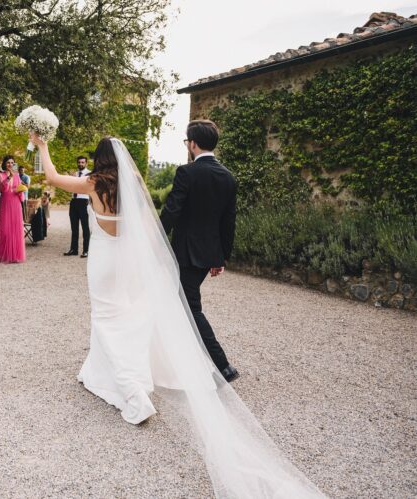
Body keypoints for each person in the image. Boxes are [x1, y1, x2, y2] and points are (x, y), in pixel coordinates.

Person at [31, 132, 324, 498]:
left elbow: (54, 179)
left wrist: (41, 146)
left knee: (106, 317)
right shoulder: (133, 184)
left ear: (99, 158)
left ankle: (134, 395)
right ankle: (106, 370)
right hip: (130, 261)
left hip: (104, 261)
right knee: (127, 316)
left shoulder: (93, 182)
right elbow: (151, 227)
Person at [159, 120, 238, 381]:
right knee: (178, 303)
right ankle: (179, 358)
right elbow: (228, 222)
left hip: (185, 253)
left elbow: (172, 210)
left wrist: (155, 236)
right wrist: (221, 256)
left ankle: (223, 365)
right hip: (208, 255)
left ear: (192, 143)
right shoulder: (228, 177)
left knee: (190, 307)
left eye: (186, 141)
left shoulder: (186, 172)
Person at [0, 155, 25, 263]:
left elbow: (19, 188)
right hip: (6, 202)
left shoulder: (17, 176)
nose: (10, 164)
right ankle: (4, 254)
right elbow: (2, 189)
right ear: (4, 164)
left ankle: (15, 255)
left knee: (16, 229)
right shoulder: (0, 174)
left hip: (16, 203)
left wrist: (21, 192)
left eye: (12, 163)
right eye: (8, 163)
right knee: (5, 229)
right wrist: (9, 177)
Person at [64, 155, 90, 258]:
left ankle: (86, 250)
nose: (80, 164)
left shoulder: (89, 175)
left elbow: (87, 187)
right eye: (79, 162)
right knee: (74, 228)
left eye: (83, 162)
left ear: (86, 163)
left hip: (84, 202)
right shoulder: (74, 174)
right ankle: (74, 249)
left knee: (85, 227)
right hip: (74, 201)